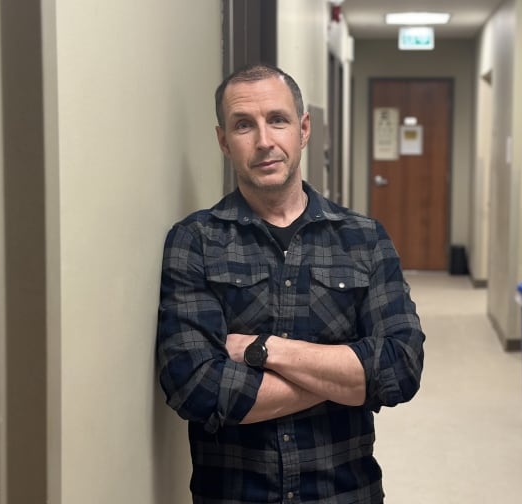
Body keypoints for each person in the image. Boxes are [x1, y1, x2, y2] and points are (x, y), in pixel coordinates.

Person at [156, 63, 425, 504]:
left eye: (277, 120)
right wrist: (346, 381)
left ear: (303, 129)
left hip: (345, 493)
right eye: (244, 125)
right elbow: (196, 388)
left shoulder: (364, 238)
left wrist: (264, 350)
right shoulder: (195, 242)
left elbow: (400, 367)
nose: (264, 141)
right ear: (224, 140)